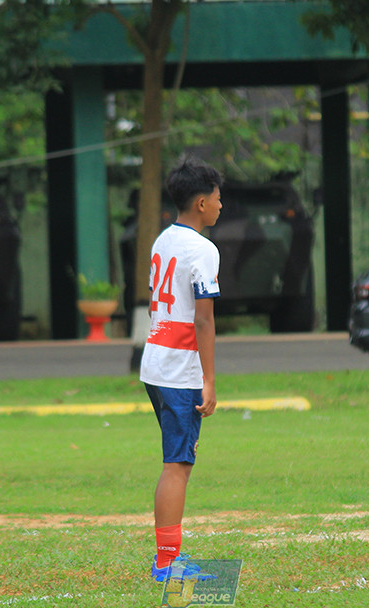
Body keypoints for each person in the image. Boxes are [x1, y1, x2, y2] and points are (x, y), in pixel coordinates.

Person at [140, 156, 222, 582]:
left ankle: (168, 559)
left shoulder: (162, 241)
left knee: (176, 461)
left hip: (155, 362)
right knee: (177, 464)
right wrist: (208, 379)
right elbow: (203, 320)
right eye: (218, 198)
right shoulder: (203, 250)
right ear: (202, 203)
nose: (221, 205)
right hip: (179, 369)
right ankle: (167, 563)